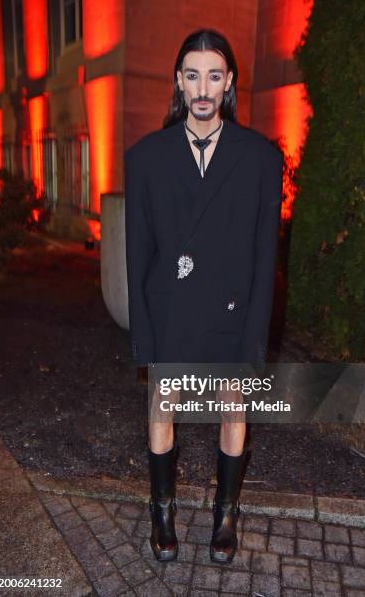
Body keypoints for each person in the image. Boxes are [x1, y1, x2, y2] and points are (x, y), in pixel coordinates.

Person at [124, 29, 284, 564]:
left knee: (231, 407)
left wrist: (256, 336)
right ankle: (162, 512)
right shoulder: (146, 158)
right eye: (192, 74)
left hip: (230, 311)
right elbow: (138, 256)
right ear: (178, 80)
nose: (202, 87)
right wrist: (143, 338)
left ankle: (225, 516)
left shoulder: (260, 159)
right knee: (162, 405)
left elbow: (266, 257)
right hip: (171, 311)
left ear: (229, 82)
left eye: (213, 75)